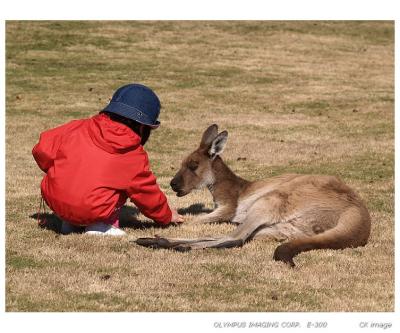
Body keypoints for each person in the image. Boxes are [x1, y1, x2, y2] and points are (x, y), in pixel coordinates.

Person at [32, 83, 184, 236]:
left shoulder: (78, 126)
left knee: (83, 179)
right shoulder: (133, 155)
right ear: (143, 127)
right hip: (90, 209)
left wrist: (57, 172)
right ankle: (100, 227)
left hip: (54, 201)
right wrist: (166, 216)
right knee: (123, 185)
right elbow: (146, 193)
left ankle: (71, 222)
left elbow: (42, 149)